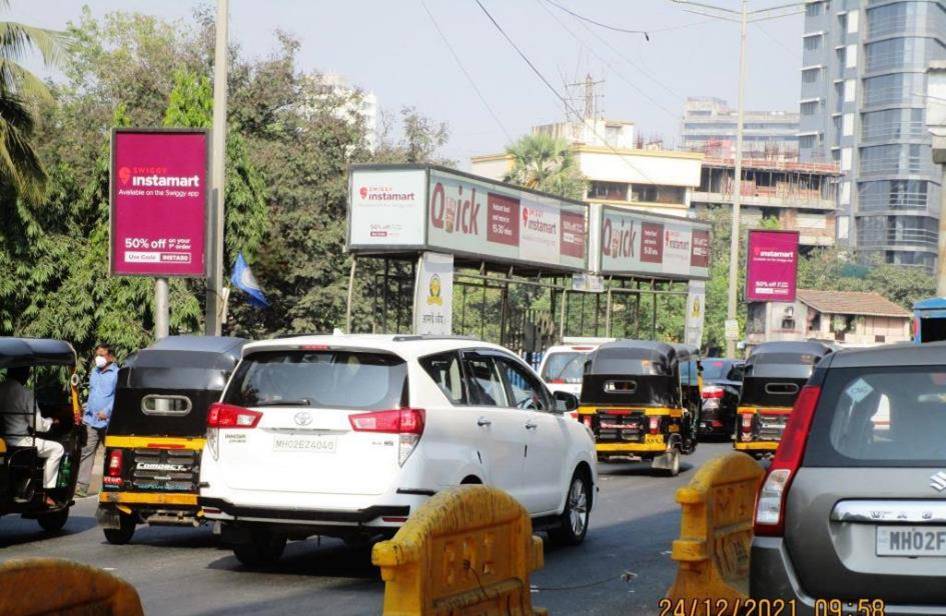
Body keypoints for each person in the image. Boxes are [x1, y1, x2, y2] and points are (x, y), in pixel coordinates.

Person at [0, 366, 63, 502]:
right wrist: (51, 421)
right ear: (23, 374)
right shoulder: (25, 394)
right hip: (20, 442)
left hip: (3, 441)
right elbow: (38, 425)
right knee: (58, 448)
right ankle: (46, 492)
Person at [76, 344, 119, 497]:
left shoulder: (117, 374)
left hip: (109, 422)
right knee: (86, 452)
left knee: (111, 454)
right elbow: (93, 393)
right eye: (97, 355)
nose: (98, 358)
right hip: (91, 419)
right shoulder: (94, 371)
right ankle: (81, 487)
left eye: (102, 355)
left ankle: (110, 486)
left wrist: (107, 412)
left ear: (110, 357)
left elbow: (118, 396)